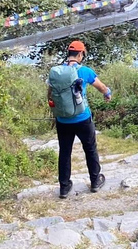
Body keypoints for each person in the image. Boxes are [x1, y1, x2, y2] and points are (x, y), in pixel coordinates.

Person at [47, 40, 112, 199]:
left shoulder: (57, 73)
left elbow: (49, 95)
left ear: (68, 54)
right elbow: (102, 87)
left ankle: (64, 187)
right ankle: (95, 182)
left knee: (65, 152)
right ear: (81, 54)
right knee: (90, 149)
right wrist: (107, 94)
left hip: (63, 120)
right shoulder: (85, 71)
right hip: (83, 118)